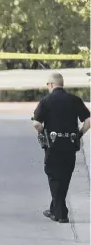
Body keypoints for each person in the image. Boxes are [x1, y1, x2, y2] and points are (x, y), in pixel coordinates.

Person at [32, 72, 90, 223]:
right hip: (70, 145)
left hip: (53, 145)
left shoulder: (46, 101)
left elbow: (36, 123)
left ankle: (61, 213)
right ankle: (54, 209)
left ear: (51, 84)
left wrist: (41, 133)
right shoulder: (74, 100)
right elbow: (88, 120)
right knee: (64, 177)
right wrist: (79, 134)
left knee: (53, 176)